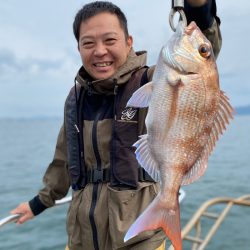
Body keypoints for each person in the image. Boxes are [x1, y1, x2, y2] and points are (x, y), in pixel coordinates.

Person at [11, 1, 222, 249]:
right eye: (88, 43)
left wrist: (199, 8)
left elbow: (205, 53)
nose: (100, 51)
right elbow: (64, 161)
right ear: (78, 47)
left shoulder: (154, 81)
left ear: (129, 42)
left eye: (110, 40)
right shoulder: (75, 99)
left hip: (138, 242)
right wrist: (38, 203)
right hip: (81, 240)